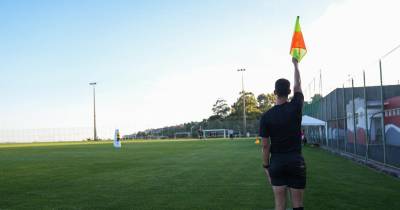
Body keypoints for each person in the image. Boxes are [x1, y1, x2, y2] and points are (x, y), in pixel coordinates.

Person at [259, 57, 306, 210]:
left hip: (277, 163)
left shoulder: (266, 116)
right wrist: (296, 65)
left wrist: (266, 165)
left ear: (274, 92)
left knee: (279, 205)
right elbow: (298, 84)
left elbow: (265, 146)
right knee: (298, 205)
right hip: (296, 162)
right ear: (289, 92)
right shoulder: (296, 106)